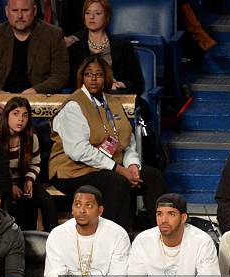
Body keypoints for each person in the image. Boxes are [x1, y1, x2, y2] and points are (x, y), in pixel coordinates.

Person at [49, 55, 167, 231]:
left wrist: (133, 166)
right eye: (89, 74)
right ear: (82, 77)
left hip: (108, 165)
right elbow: (79, 151)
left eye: (99, 74)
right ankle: (117, 239)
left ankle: (159, 233)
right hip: (73, 169)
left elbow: (128, 140)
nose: (94, 78)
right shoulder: (74, 105)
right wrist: (120, 169)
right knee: (118, 182)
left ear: (106, 77)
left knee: (152, 176)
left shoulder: (113, 102)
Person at [0, 96, 57, 231]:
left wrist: (29, 180)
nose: (21, 119)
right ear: (6, 115)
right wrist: (10, 185)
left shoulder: (31, 136)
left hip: (21, 179)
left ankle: (51, 239)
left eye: (25, 115)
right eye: (15, 114)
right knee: (11, 200)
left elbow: (35, 163)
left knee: (45, 199)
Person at [0, 0, 69, 95]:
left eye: (25, 10)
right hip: (2, 99)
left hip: (39, 97)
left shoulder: (53, 35)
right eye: (15, 10)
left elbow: (60, 76)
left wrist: (36, 91)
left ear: (35, 11)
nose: (20, 16)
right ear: (7, 11)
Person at [67, 0, 143, 95]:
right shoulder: (75, 49)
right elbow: (72, 82)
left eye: (97, 13)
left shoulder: (123, 46)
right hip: (86, 98)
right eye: (87, 13)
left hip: (115, 96)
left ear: (107, 16)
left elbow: (137, 83)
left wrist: (122, 84)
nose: (91, 17)